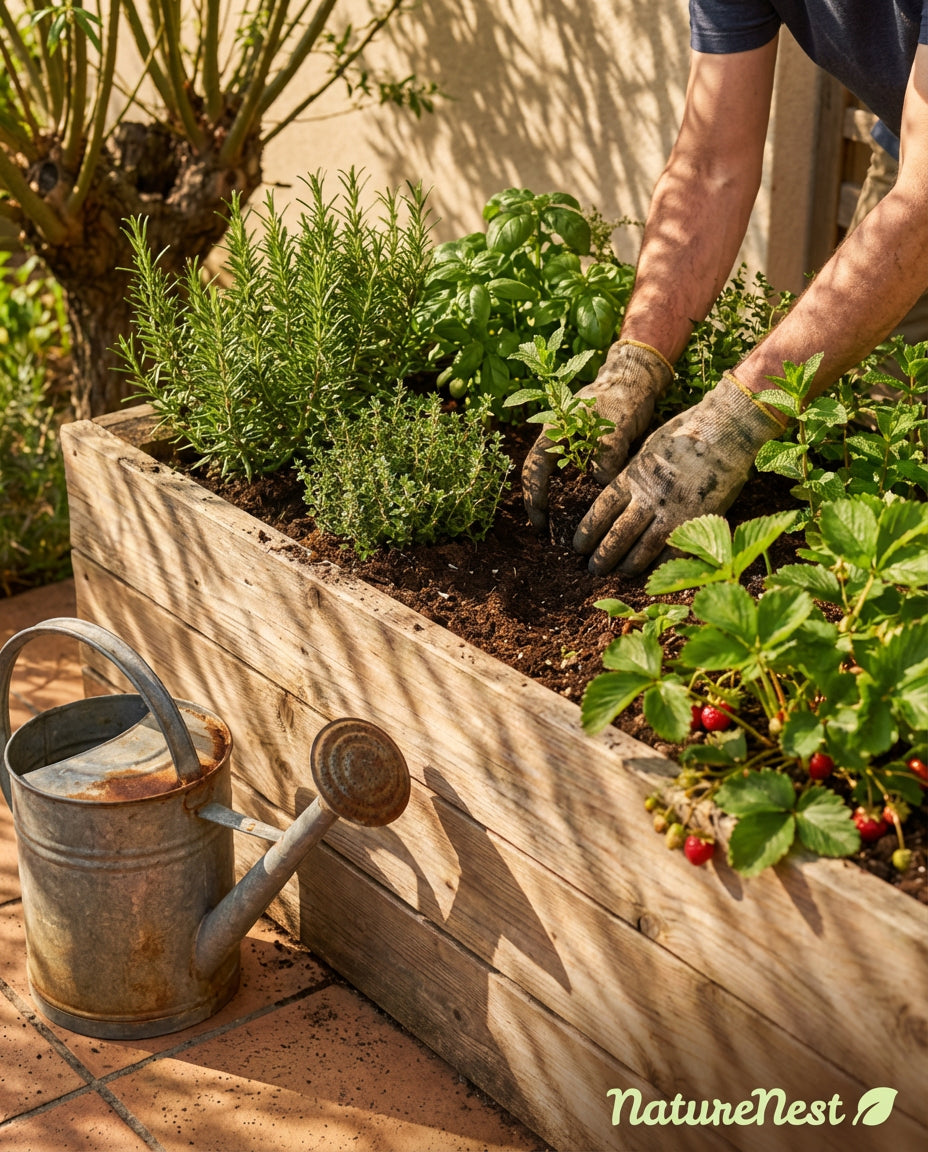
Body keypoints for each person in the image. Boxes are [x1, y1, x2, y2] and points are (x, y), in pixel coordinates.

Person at [523, 2, 928, 575]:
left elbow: (923, 203)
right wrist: (633, 367)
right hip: (913, 156)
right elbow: (712, 163)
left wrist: (733, 421)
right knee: (881, 459)